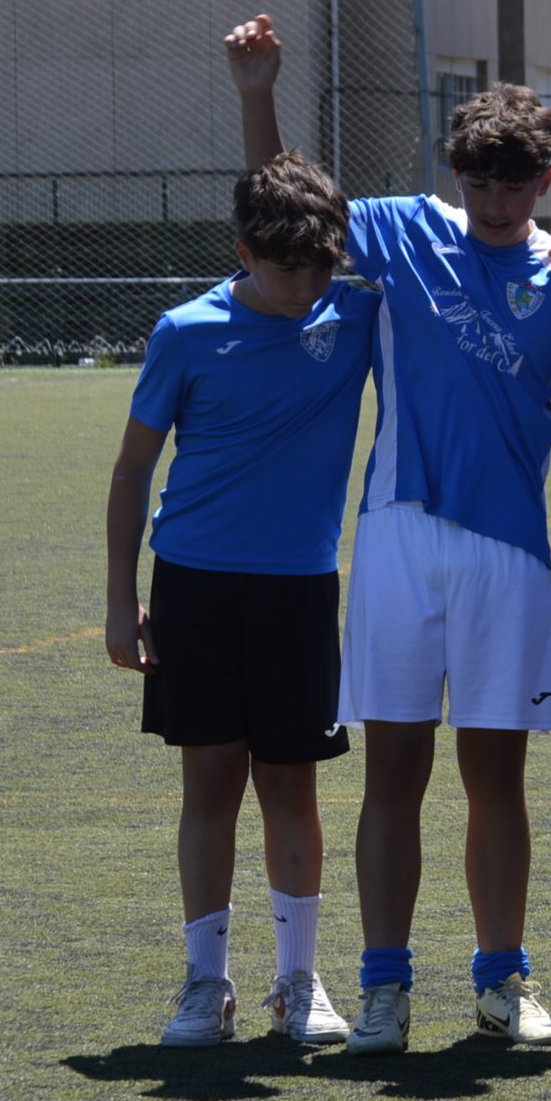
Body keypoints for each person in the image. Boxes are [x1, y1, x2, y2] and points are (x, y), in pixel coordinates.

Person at [228, 18, 551, 1056]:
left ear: (546, 178)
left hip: (512, 552)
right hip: (397, 536)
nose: (495, 201)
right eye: (480, 182)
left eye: (515, 183)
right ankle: (383, 987)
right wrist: (260, 91)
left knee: (498, 779)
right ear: (456, 174)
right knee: (392, 769)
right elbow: (285, 207)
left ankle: (500, 980)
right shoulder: (399, 229)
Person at [105, 155, 379, 1047]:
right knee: (211, 781)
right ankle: (205, 984)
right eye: (284, 265)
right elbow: (133, 468)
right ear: (242, 253)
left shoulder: (356, 313)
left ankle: (299, 981)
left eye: (320, 265)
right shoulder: (186, 331)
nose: (305, 283)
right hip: (193, 585)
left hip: (299, 590)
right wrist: (120, 600)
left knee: (290, 786)